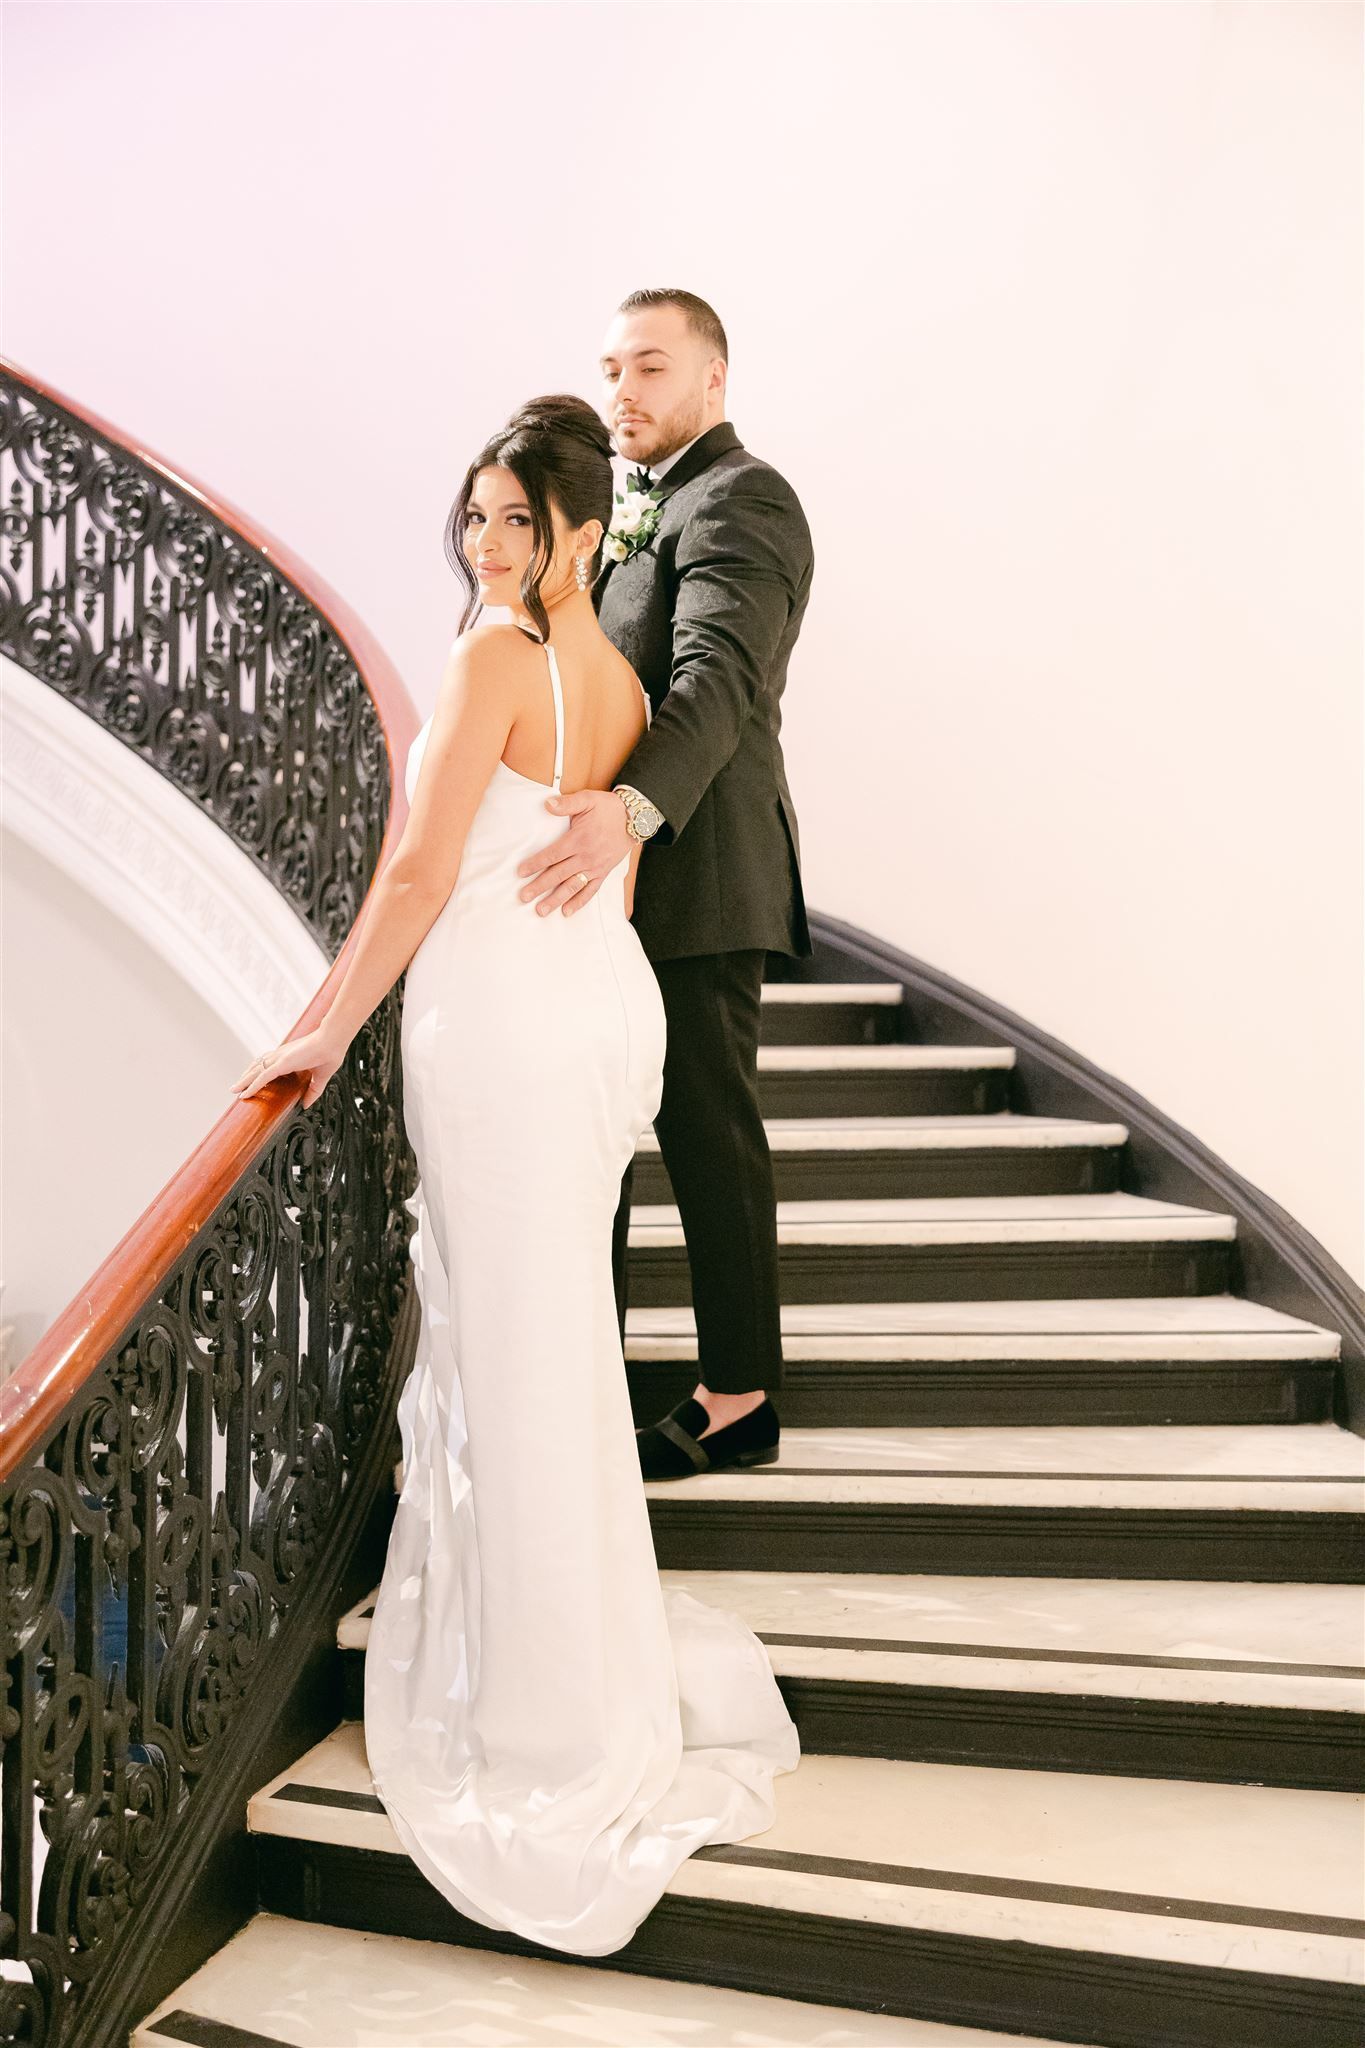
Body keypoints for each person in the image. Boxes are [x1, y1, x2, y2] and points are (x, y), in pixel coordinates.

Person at [227, 393, 799, 1957]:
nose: (485, 542)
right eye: (474, 515)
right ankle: (579, 1655)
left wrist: (326, 1025)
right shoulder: (612, 676)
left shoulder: (492, 657)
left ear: (577, 531)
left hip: (501, 1013)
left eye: (513, 519)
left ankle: (548, 1711)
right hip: (590, 1012)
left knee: (525, 1341)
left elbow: (419, 871)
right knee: (548, 1340)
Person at [514, 290, 815, 1481]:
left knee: (704, 1132)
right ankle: (592, 1381)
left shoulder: (744, 497)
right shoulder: (624, 507)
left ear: (714, 381)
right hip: (608, 887)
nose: (623, 390)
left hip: (696, 870)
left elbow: (717, 678)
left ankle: (739, 1395)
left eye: (650, 366)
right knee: (597, 1134)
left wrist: (628, 815)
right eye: (609, 367)